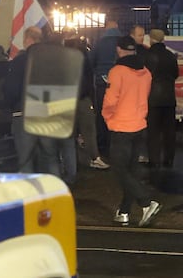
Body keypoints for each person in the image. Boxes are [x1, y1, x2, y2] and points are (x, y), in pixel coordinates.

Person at [103, 35, 160, 227]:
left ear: (119, 50)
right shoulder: (146, 72)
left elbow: (110, 101)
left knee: (119, 169)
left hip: (121, 126)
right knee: (131, 171)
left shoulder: (116, 71)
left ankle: (146, 202)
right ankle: (124, 211)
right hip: (139, 125)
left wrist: (107, 118)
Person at [3, 26, 59, 175]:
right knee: (50, 157)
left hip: (24, 113)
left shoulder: (19, 61)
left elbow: (12, 90)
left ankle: (31, 194)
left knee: (25, 158)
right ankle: (56, 191)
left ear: (28, 40)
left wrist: (9, 105)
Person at [64, 35, 109, 170]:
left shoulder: (63, 58)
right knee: (88, 130)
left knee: (70, 134)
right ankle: (94, 157)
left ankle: (71, 162)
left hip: (68, 99)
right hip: (83, 98)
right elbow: (89, 80)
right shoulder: (84, 57)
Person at [143, 29, 179, 168]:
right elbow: (175, 74)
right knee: (169, 130)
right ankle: (169, 158)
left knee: (153, 131)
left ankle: (154, 159)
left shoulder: (148, 55)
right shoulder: (171, 56)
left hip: (152, 97)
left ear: (151, 39)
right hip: (169, 97)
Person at [89, 20, 124, 156]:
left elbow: (91, 61)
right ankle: (118, 145)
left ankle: (103, 145)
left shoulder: (99, 43)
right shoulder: (123, 42)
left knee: (102, 115)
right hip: (121, 84)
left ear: (106, 29)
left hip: (102, 84)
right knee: (119, 113)